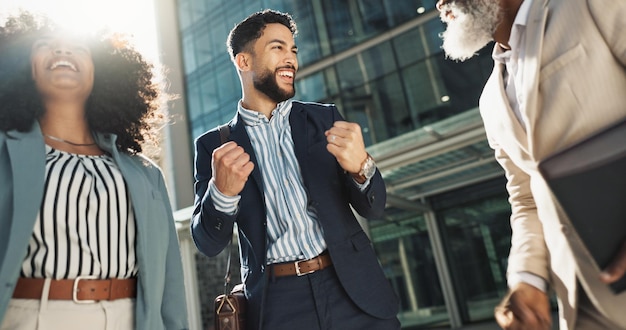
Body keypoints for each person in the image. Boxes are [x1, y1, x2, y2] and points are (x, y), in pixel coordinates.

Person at [191, 9, 400, 330]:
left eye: (293, 50)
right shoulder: (214, 146)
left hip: (351, 287)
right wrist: (221, 193)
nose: (291, 59)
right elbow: (208, 243)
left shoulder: (325, 119)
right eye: (277, 48)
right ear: (243, 62)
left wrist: (362, 167)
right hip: (278, 303)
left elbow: (374, 208)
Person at [436, 0, 626, 329]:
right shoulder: (490, 101)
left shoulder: (588, 5)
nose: (439, 4)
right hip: (584, 302)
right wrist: (527, 279)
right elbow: (527, 199)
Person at [0, 12, 188, 330]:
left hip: (131, 319)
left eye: (78, 48)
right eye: (46, 46)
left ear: (101, 73)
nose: (62, 52)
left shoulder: (145, 173)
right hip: (34, 317)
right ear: (25, 68)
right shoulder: (4, 154)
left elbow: (170, 288)